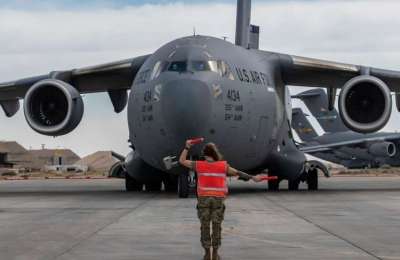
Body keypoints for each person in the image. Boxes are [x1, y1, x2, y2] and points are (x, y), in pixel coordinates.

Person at [179, 140, 262, 260]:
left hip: (203, 200)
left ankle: (207, 253)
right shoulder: (223, 166)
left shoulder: (199, 165)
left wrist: (187, 147)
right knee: (217, 226)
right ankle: (215, 253)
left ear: (205, 154)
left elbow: (182, 161)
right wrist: (253, 177)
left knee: (205, 226)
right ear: (215, 153)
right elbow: (238, 173)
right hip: (218, 200)